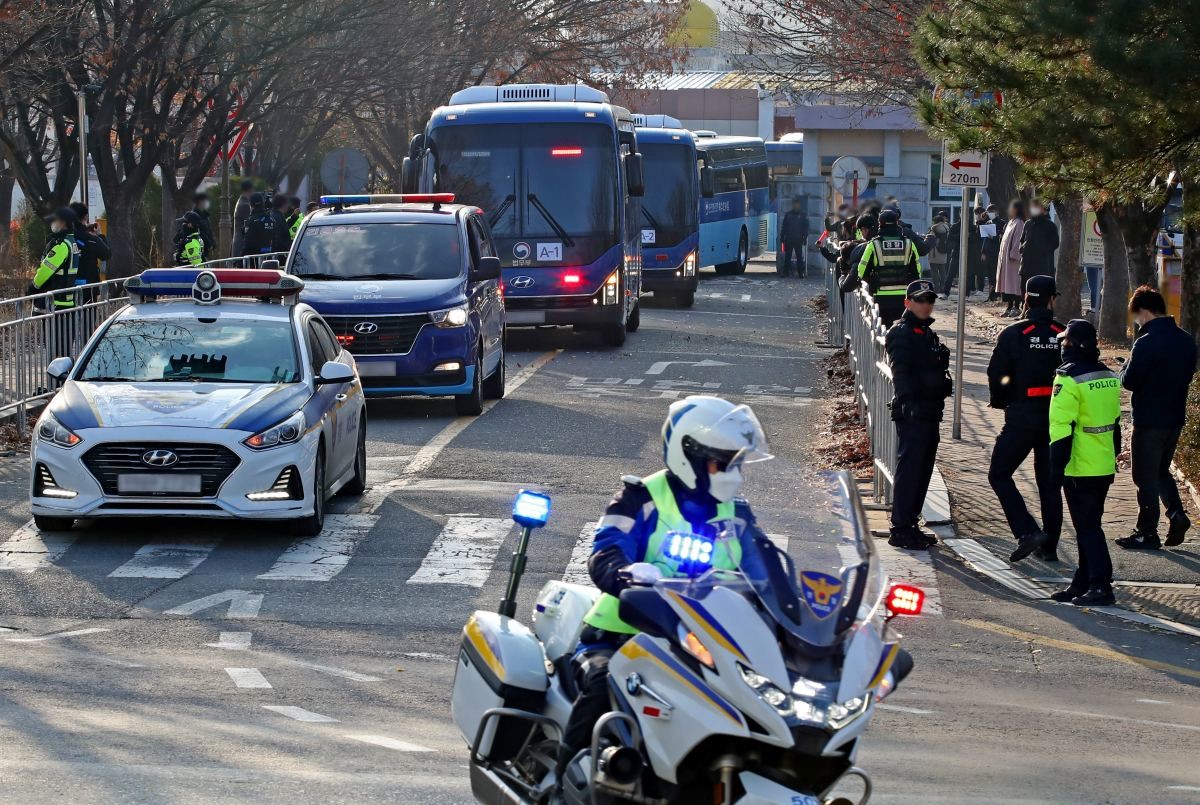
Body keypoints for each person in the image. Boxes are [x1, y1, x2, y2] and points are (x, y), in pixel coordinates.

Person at [556, 395, 772, 781]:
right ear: (688, 455)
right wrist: (627, 573)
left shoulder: (736, 512)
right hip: (618, 638)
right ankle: (563, 779)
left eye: (736, 462)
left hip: (701, 646)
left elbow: (766, 567)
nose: (731, 472)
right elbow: (606, 551)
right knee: (605, 684)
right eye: (720, 461)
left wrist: (806, 600)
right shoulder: (641, 498)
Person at [986, 275, 1066, 562]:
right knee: (1049, 483)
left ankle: (1027, 530)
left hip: (1021, 418)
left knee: (999, 474)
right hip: (1057, 421)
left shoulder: (1014, 334)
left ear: (1025, 298)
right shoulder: (1064, 333)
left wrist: (1001, 400)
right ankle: (1050, 547)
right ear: (1052, 299)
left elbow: (997, 372)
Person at [1117, 286, 1197, 549]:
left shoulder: (1146, 342)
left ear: (1144, 311)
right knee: (1161, 471)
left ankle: (1146, 531)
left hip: (1149, 419)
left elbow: (1130, 381)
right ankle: (1176, 513)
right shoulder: (1186, 340)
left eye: (1136, 315)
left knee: (1143, 477)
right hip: (1175, 417)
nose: (1137, 321)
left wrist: (1125, 366)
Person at [1048, 318, 1122, 606]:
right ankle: (1082, 581)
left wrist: (1056, 468)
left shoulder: (1067, 378)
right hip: (1103, 463)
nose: (1062, 346)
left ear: (1075, 345)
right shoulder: (1108, 375)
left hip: (1079, 464)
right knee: (1089, 524)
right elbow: (1114, 422)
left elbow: (1061, 428)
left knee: (1088, 527)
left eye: (1065, 341)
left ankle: (1101, 585)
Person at [885, 279, 953, 549]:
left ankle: (910, 523)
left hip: (930, 411)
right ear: (908, 303)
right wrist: (909, 402)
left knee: (922, 471)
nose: (926, 305)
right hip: (913, 412)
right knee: (911, 470)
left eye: (929, 300)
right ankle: (900, 528)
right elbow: (899, 371)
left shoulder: (925, 332)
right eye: (921, 300)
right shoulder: (902, 332)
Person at [855, 208, 922, 326]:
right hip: (904, 298)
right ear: (897, 223)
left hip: (881, 297)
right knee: (901, 332)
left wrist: (872, 282)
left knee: (882, 333)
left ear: (880, 223)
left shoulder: (873, 244)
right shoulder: (909, 243)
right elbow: (917, 272)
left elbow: (861, 271)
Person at [68, 202, 111, 288]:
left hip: (67, 287)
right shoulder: (91, 240)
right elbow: (106, 254)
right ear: (86, 216)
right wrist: (100, 235)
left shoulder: (65, 237)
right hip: (88, 287)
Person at [996, 200, 1026, 316]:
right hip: (1005, 260)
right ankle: (1008, 307)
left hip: (1013, 260)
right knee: (1007, 284)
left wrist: (1014, 255)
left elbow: (1018, 240)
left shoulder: (1019, 223)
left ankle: (1016, 307)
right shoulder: (1010, 222)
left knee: (1014, 284)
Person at [1020, 200, 1059, 290]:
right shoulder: (1028, 224)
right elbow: (1022, 240)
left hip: (1042, 266)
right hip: (1026, 265)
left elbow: (1055, 243)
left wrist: (1041, 249)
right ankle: (1025, 303)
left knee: (1040, 291)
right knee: (1025, 289)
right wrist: (1022, 249)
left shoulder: (1050, 225)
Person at [241, 192, 279, 258]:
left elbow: (248, 245)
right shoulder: (272, 220)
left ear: (251, 205)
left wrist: (239, 262)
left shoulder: (252, 221)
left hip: (254, 261)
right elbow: (275, 242)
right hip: (270, 260)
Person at [779, 197, 809, 278]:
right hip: (789, 239)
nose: (796, 205)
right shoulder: (788, 214)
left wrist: (805, 237)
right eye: (794, 204)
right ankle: (785, 272)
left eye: (797, 204)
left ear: (799, 205)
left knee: (799, 257)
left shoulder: (803, 215)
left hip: (798, 239)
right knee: (787, 257)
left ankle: (800, 273)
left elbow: (806, 227)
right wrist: (782, 236)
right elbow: (784, 226)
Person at [928, 214, 951, 297]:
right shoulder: (947, 228)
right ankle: (943, 287)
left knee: (934, 271)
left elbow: (929, 239)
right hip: (944, 252)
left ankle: (936, 288)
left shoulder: (933, 228)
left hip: (934, 252)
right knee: (943, 271)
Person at [231, 179, 255, 256]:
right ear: (250, 190)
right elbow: (250, 223)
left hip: (238, 241)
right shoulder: (245, 205)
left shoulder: (241, 201)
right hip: (241, 243)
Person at [191, 192, 216, 260]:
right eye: (205, 200)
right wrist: (209, 243)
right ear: (200, 202)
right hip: (199, 247)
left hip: (207, 248)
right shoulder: (194, 215)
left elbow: (209, 230)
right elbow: (199, 232)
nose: (206, 203)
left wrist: (213, 243)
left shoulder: (205, 215)